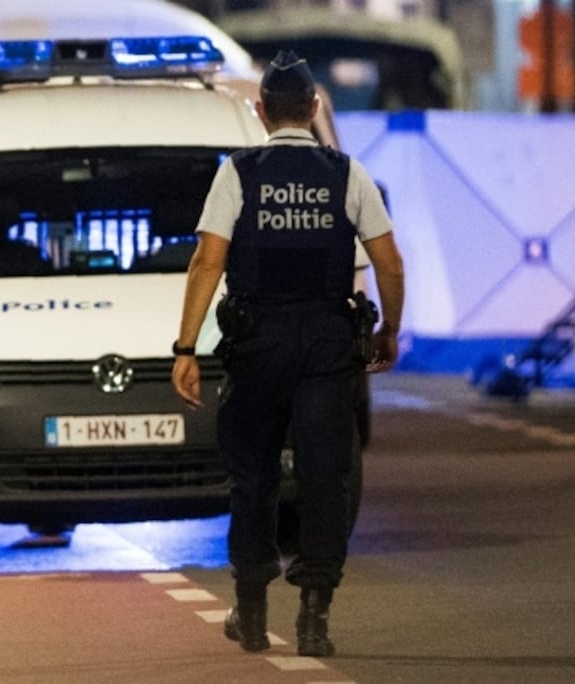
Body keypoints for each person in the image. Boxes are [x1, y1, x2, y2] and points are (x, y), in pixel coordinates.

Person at [171, 51, 405, 658]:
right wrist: (389, 333)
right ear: (315, 107)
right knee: (326, 478)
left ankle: (250, 615)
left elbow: (208, 260)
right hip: (329, 343)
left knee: (253, 478)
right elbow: (388, 262)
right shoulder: (347, 173)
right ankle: (314, 619)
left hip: (257, 343)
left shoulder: (238, 172)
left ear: (260, 112)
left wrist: (186, 346)